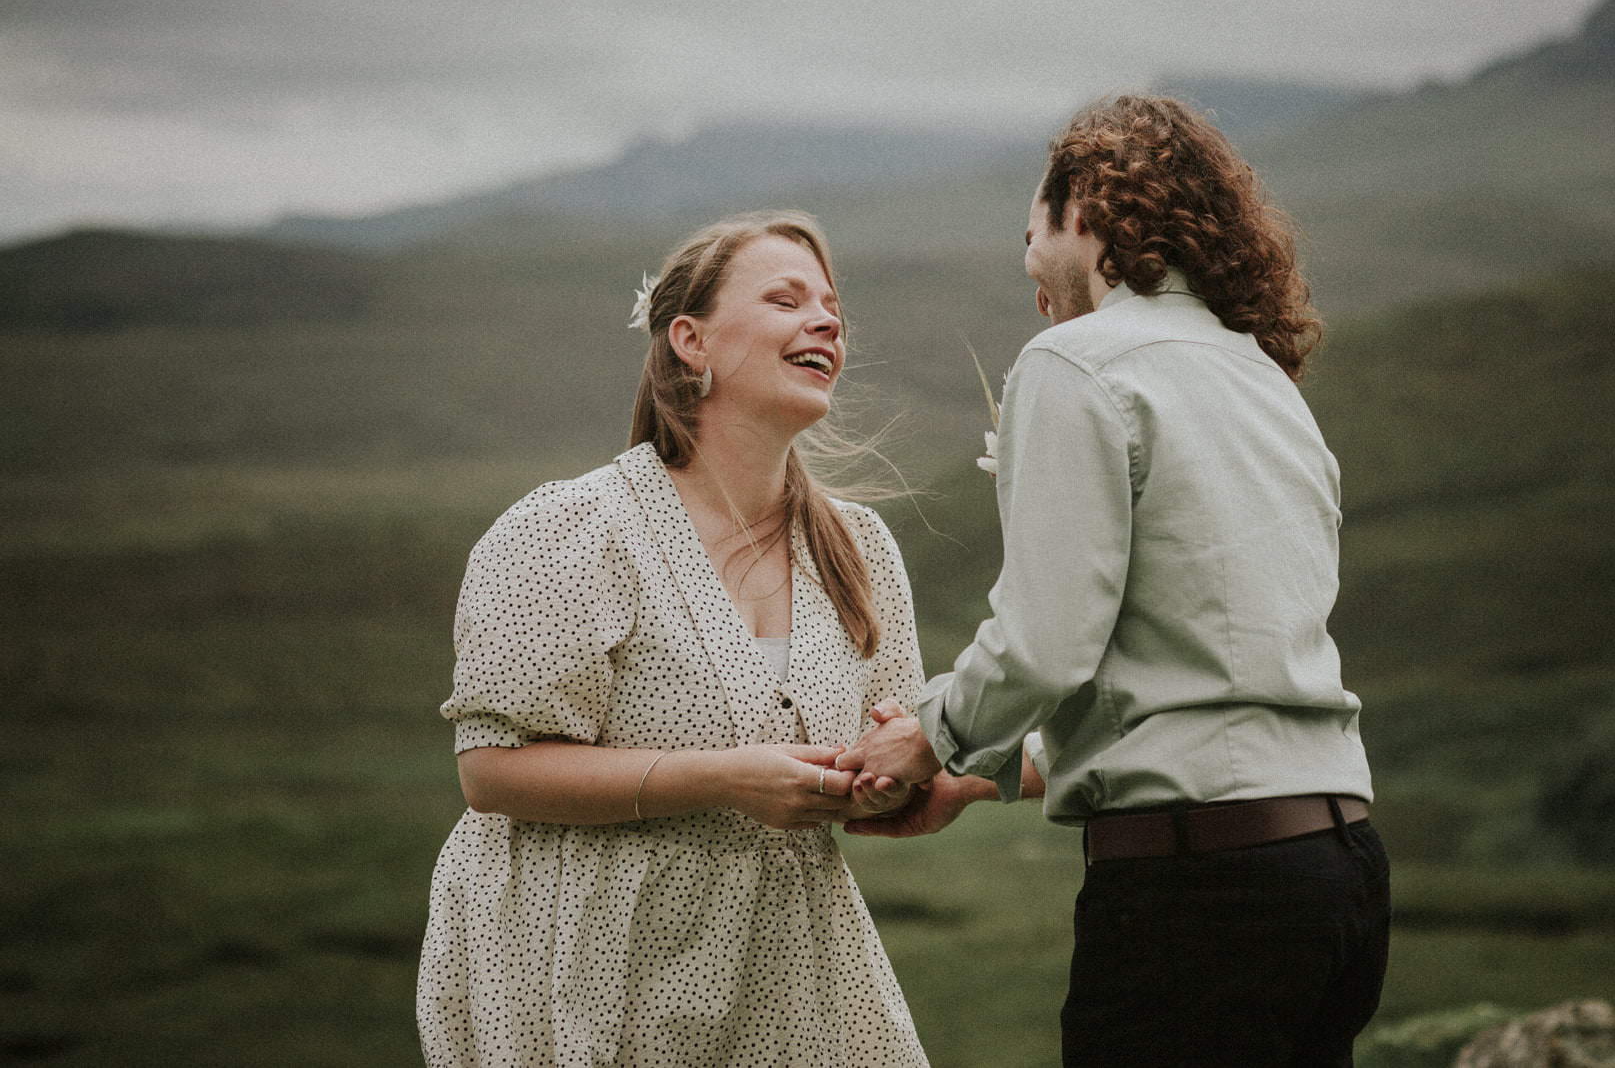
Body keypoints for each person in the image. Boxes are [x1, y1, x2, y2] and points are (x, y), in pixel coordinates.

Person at [840, 95, 1388, 1067]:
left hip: (1196, 895)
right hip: (1332, 872)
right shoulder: (1263, 378)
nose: (1027, 268)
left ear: (1085, 211)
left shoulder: (1076, 363)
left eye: (1031, 233)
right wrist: (978, 773)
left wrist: (926, 738)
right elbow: (1189, 678)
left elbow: (1049, 638)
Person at [417, 212, 929, 1067]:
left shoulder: (861, 549)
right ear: (691, 340)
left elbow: (897, 756)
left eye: (833, 307)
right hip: (588, 973)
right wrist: (728, 778)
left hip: (786, 981)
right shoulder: (574, 529)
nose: (828, 321)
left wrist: (876, 783)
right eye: (786, 298)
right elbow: (490, 769)